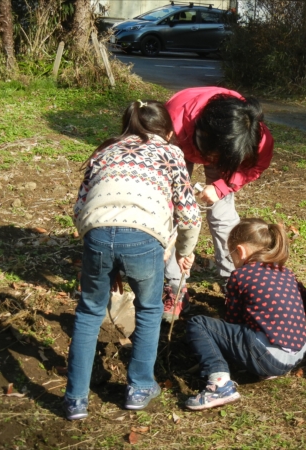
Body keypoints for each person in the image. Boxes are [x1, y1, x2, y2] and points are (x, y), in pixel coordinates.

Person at [65, 100, 202, 420]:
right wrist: (183, 253)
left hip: (96, 233)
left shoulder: (104, 152)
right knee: (150, 309)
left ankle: (75, 398)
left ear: (126, 126)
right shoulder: (170, 153)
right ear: (168, 132)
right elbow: (190, 215)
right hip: (143, 237)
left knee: (88, 312)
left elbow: (78, 209)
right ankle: (139, 385)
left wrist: (101, 251)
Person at [161, 88, 274, 322]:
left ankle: (234, 282)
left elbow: (255, 166)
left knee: (223, 216)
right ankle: (175, 287)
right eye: (212, 158)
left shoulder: (252, 133)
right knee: (171, 216)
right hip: (182, 143)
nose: (210, 163)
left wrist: (223, 186)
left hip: (222, 146)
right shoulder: (173, 120)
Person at [184, 218, 306, 410]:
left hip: (269, 357)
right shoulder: (286, 272)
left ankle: (219, 384)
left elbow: (233, 321)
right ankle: (267, 364)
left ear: (240, 251)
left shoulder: (240, 275)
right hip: (297, 354)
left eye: (231, 256)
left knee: (198, 323)